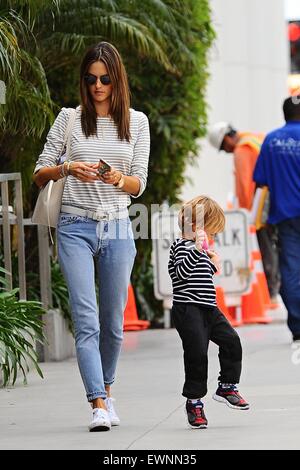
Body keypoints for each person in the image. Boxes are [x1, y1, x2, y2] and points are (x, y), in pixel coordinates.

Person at [33, 42, 150, 431]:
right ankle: (97, 404)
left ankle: (108, 391)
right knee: (87, 321)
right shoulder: (69, 118)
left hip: (117, 226)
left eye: (105, 79)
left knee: (113, 324)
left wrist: (117, 177)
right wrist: (68, 168)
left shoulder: (137, 122)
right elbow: (40, 172)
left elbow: (139, 185)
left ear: (117, 80)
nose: (98, 85)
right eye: (90, 79)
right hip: (74, 227)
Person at [168, 195, 249, 429]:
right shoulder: (181, 247)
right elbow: (181, 273)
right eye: (211, 233)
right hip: (188, 310)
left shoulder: (200, 251)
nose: (212, 239)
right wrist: (197, 250)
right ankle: (194, 402)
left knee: (232, 341)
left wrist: (212, 262)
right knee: (197, 354)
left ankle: (227, 385)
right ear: (195, 228)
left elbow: (200, 278)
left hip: (208, 308)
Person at [208, 122, 279, 305]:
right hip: (278, 200)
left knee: (264, 246)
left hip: (261, 206)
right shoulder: (255, 137)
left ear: (226, 139)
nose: (227, 152)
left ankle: (271, 292)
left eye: (224, 148)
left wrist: (247, 216)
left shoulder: (242, 150)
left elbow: (246, 185)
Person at [253, 95, 300, 343]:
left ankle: (298, 325)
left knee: (291, 268)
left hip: (285, 215)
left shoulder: (271, 140)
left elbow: (260, 179)